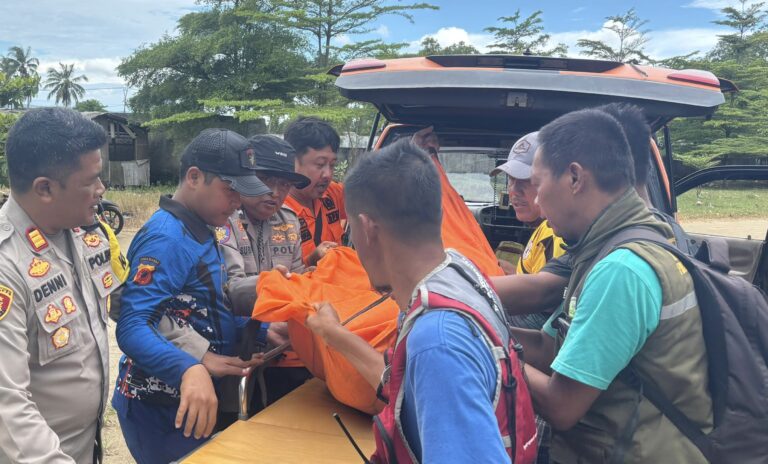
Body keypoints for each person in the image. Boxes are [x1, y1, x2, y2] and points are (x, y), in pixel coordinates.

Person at [304, 138, 518, 463]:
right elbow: (401, 380)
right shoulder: (460, 275)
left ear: (367, 229)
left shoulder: (437, 339)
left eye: (352, 238)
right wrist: (334, 333)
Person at [518, 108, 712, 463]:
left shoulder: (622, 270)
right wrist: (486, 327)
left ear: (574, 178)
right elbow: (550, 346)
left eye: (537, 183)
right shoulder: (606, 246)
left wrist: (496, 352)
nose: (537, 200)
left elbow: (562, 406)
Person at [112, 129, 267, 464]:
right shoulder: (167, 237)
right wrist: (189, 368)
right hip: (158, 403)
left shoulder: (200, 228)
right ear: (195, 177)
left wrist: (262, 331)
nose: (239, 202)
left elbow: (201, 309)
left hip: (188, 397)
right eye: (231, 190)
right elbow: (132, 323)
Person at [0, 108, 122, 463]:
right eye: (92, 181)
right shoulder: (7, 264)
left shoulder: (87, 233)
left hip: (85, 445)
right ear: (46, 188)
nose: (102, 191)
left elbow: (121, 304)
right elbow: (6, 405)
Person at [217, 134, 313, 414]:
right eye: (267, 179)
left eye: (284, 184)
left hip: (278, 354)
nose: (276, 191)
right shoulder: (225, 220)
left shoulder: (289, 221)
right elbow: (228, 289)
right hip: (230, 351)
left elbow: (297, 281)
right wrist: (267, 319)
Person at [490, 131, 565, 329]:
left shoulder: (558, 235)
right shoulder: (543, 228)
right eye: (511, 180)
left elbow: (545, 296)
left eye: (525, 180)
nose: (513, 191)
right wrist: (512, 272)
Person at [283, 117, 346, 266]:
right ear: (293, 161)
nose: (328, 174)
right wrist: (313, 259)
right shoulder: (277, 209)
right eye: (320, 164)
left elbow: (374, 202)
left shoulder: (333, 193)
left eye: (332, 165)